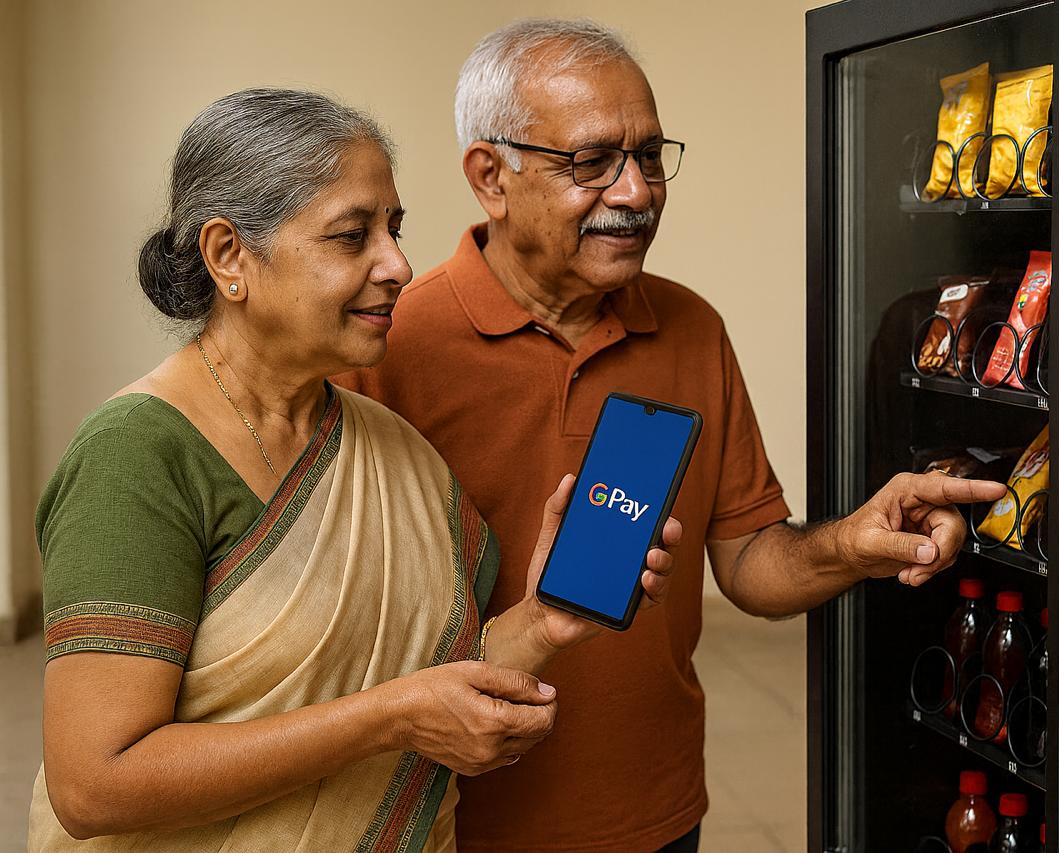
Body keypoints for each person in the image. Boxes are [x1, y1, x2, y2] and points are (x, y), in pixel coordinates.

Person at [335, 18, 1006, 853]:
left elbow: (750, 562)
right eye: (591, 162)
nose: (635, 191)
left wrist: (855, 544)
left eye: (649, 156)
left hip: (656, 814)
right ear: (490, 176)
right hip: (451, 825)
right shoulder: (387, 344)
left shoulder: (691, 328)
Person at [30, 87, 679, 852]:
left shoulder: (393, 449)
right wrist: (390, 718)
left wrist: (540, 622)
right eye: (352, 236)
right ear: (229, 255)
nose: (398, 264)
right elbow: (94, 783)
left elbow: (439, 682)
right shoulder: (138, 454)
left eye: (395, 229)